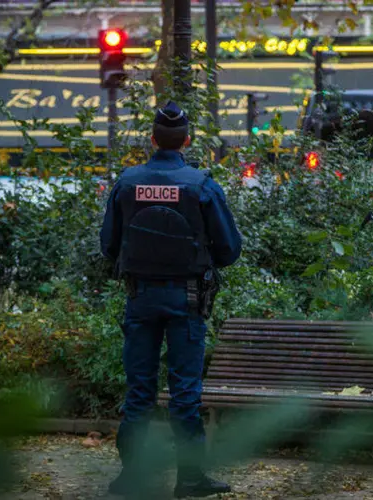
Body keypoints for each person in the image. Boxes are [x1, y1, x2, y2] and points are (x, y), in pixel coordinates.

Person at [100, 102, 242, 498]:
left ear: (151, 139)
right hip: (187, 299)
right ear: (188, 140)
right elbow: (230, 249)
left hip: (140, 298)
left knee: (139, 390)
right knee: (185, 393)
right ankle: (191, 478)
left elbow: (108, 245)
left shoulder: (127, 183)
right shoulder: (201, 185)